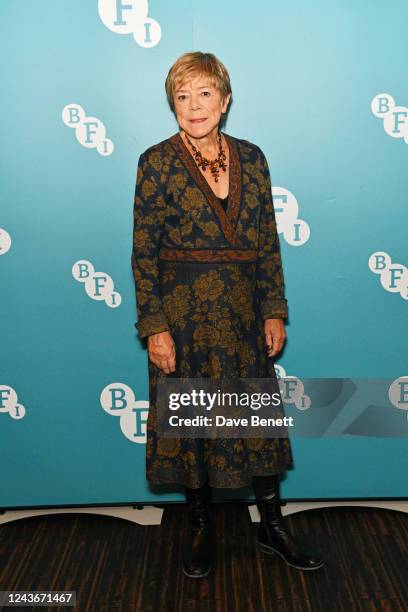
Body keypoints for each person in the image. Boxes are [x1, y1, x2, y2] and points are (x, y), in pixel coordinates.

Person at [131, 51, 324, 578]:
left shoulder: (253, 158)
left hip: (242, 318)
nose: (194, 106)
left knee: (254, 422)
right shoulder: (157, 161)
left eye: (204, 94)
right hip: (184, 320)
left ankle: (273, 527)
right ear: (173, 104)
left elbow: (267, 243)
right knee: (193, 422)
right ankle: (199, 528)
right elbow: (143, 251)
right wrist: (155, 326)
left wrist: (274, 308)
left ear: (225, 98)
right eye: (182, 96)